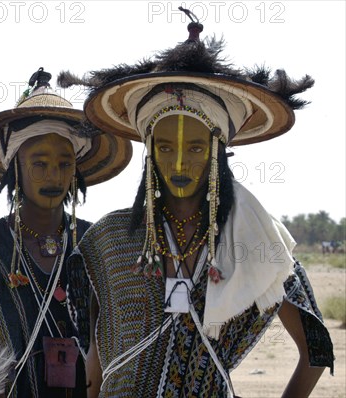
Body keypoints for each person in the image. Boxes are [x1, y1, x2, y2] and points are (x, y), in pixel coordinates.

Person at [59, 11, 334, 398]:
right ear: (150, 153)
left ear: (218, 152)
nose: (180, 162)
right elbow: (96, 356)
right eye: (165, 147)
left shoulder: (254, 238)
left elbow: (316, 352)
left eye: (196, 147)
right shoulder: (109, 239)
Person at [0, 68, 132, 397]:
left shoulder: (98, 245)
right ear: (15, 167)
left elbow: (117, 344)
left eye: (64, 163)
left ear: (76, 169)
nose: (53, 175)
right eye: (39, 164)